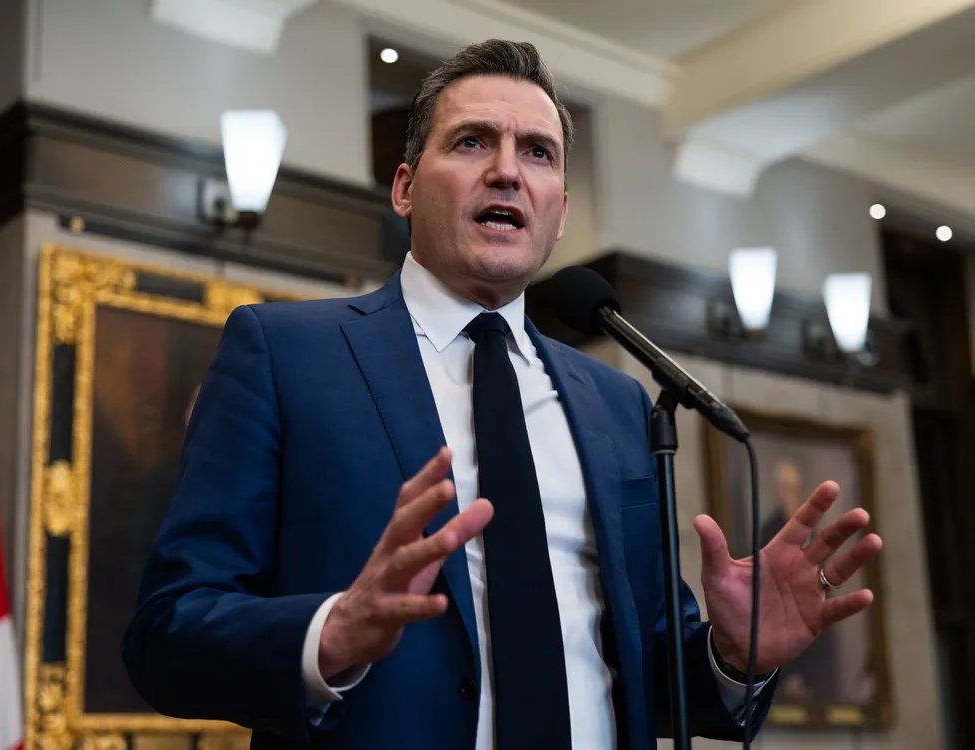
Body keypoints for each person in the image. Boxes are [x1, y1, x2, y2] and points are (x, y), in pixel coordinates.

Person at [122, 39, 883, 750]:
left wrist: (733, 654)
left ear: (560, 214)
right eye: (471, 141)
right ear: (405, 188)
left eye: (538, 153)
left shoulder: (616, 404)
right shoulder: (285, 354)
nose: (507, 172)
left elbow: (648, 670)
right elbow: (168, 631)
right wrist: (330, 633)